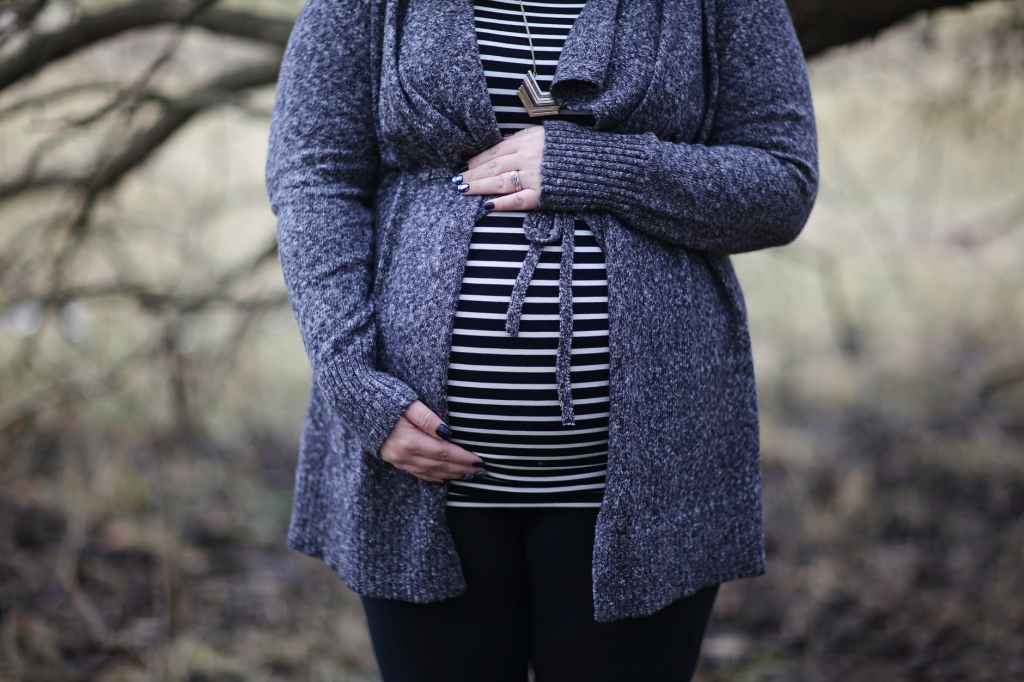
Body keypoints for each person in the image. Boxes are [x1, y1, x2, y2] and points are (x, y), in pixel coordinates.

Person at [264, 0, 819, 679]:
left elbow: (781, 183)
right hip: (414, 475)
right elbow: (312, 170)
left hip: (651, 479)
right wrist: (350, 376)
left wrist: (593, 166)